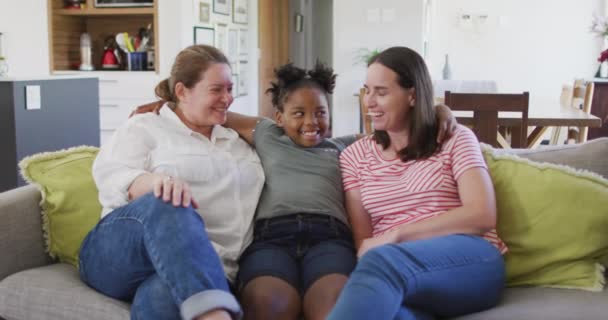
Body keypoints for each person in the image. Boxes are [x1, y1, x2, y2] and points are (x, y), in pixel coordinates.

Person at [133, 61, 457, 320]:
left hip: (330, 238)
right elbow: (212, 110)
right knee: (268, 306)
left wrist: (440, 111)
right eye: (298, 114)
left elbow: (404, 128)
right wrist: (169, 104)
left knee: (334, 308)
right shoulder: (267, 134)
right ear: (279, 117)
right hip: (271, 238)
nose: (311, 122)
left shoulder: (347, 146)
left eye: (320, 112)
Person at [79, 45, 265, 320]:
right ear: (181, 91)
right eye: (216, 90)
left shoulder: (237, 141)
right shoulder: (144, 126)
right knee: (169, 198)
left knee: (163, 298)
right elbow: (111, 176)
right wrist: (154, 182)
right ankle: (215, 314)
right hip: (118, 253)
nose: (227, 98)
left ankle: (205, 302)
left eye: (230, 88)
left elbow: (287, 129)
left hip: (200, 269)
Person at [327, 46, 508, 320]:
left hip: (470, 257)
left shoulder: (455, 138)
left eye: (381, 92)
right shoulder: (354, 156)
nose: (369, 102)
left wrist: (397, 235)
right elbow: (365, 244)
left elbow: (482, 214)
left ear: (412, 95)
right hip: (402, 272)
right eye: (367, 90)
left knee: (381, 261)